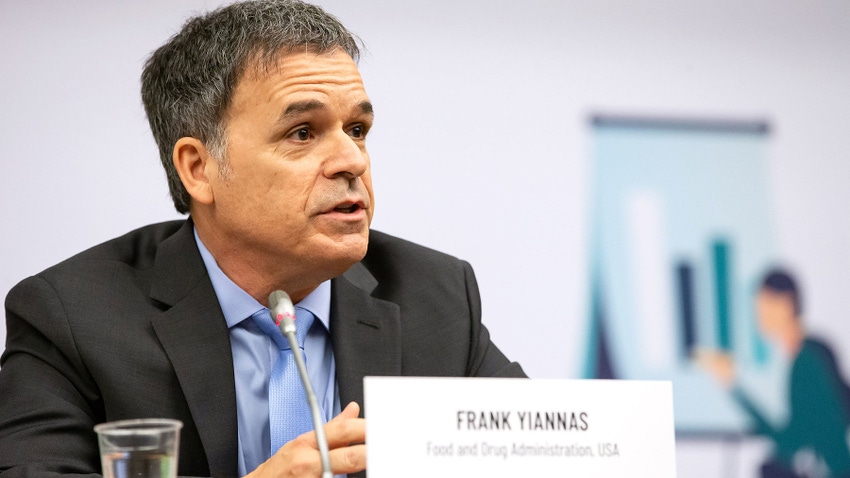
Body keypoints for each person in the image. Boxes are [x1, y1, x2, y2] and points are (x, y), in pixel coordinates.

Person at [0, 1, 526, 477]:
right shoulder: (73, 317)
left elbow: (542, 457)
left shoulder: (434, 297)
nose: (352, 161)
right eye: (303, 133)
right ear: (199, 168)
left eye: (358, 130)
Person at [698, 269, 850, 478]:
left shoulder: (807, 361)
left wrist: (735, 388)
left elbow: (790, 440)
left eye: (764, 309)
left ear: (786, 305)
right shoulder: (812, 352)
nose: (759, 318)